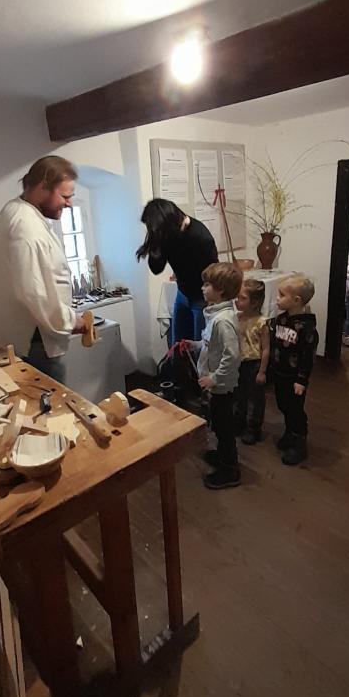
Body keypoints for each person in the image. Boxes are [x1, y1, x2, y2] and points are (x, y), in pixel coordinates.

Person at [0, 155, 86, 382]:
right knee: (52, 399)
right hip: (33, 340)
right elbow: (34, 293)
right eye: (65, 196)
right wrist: (71, 320)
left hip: (19, 334)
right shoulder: (26, 228)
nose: (69, 204)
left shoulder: (14, 209)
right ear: (42, 187)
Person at [185, 262, 242, 490]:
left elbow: (232, 355)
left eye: (207, 284)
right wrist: (196, 344)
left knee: (224, 427)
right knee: (218, 423)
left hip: (222, 386)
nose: (202, 288)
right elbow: (212, 344)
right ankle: (222, 455)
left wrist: (215, 378)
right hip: (216, 384)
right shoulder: (215, 315)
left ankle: (230, 469)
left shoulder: (223, 321)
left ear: (221, 290)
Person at [136, 198, 218, 343]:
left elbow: (213, 275)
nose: (152, 232)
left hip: (202, 298)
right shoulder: (167, 234)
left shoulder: (200, 237)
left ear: (166, 223)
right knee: (178, 347)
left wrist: (211, 302)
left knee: (200, 348)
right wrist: (156, 245)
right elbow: (156, 269)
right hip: (182, 294)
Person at [270, 275, 319, 466]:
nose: (277, 298)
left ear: (296, 300)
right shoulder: (281, 319)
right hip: (280, 373)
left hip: (294, 378)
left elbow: (308, 357)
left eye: (282, 295)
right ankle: (289, 432)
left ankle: (299, 441)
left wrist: (302, 380)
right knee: (282, 404)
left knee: (295, 409)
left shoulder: (306, 329)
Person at [234, 279, 270, 445]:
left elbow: (266, 349)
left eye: (242, 298)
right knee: (239, 394)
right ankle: (239, 422)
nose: (237, 301)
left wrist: (262, 371)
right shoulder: (237, 318)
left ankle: (254, 428)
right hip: (239, 362)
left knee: (256, 398)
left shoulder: (261, 323)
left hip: (254, 364)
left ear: (255, 302)